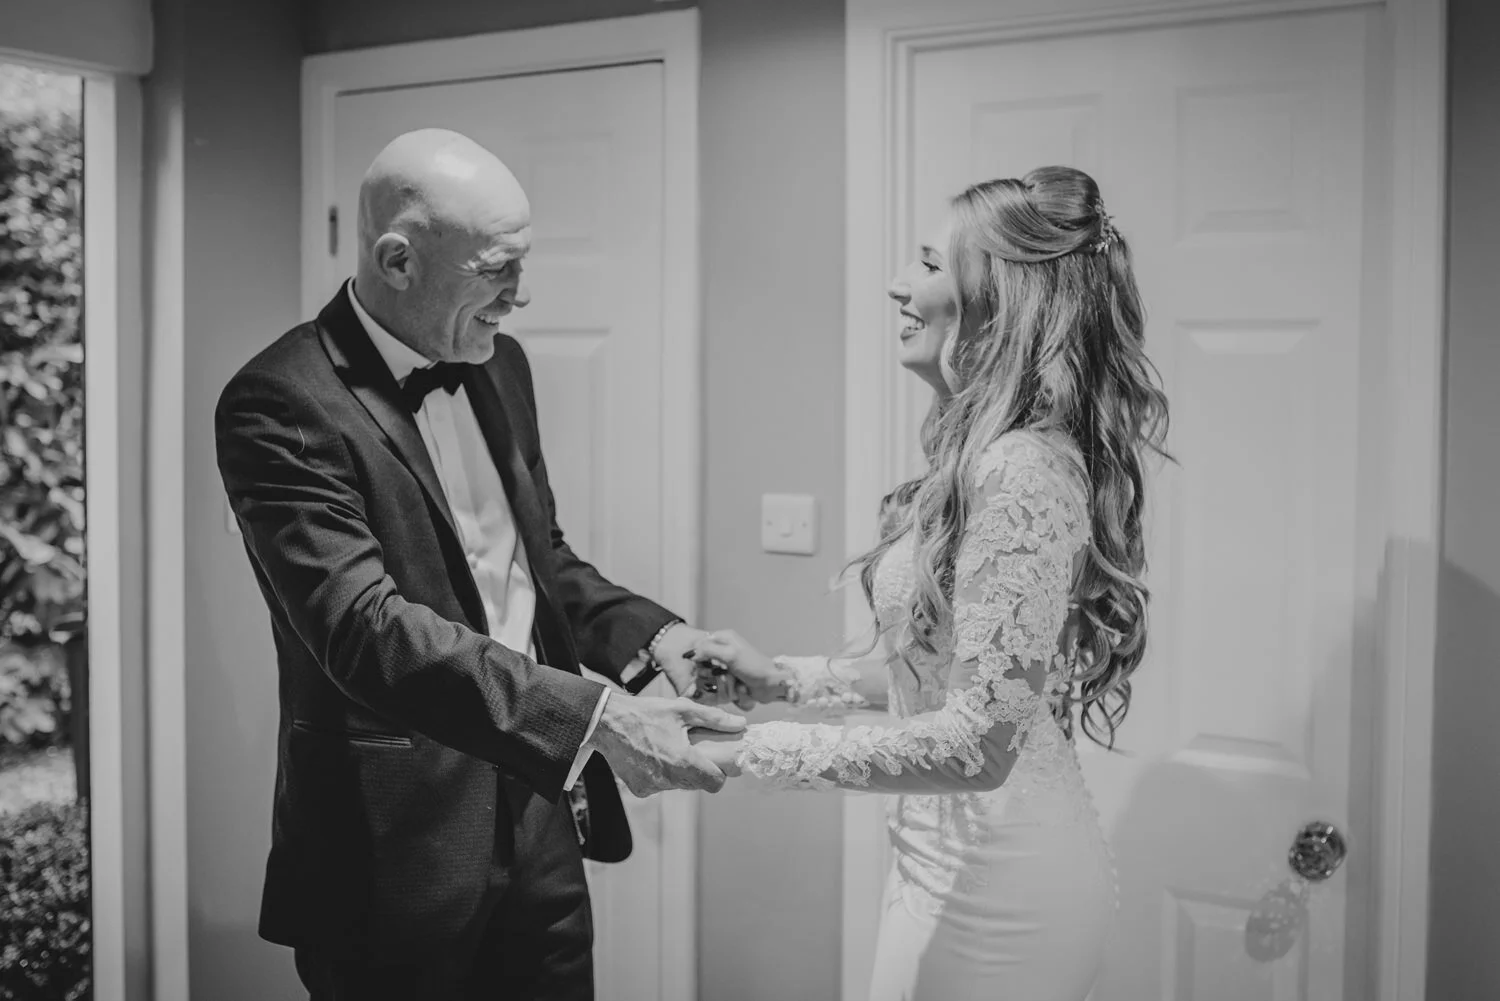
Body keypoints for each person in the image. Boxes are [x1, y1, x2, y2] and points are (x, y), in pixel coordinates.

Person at [214, 128, 744, 1000]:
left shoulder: (500, 365)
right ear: (398, 260)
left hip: (543, 809)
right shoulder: (279, 400)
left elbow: (539, 563)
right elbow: (365, 630)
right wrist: (597, 717)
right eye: (497, 268)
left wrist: (655, 640)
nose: (520, 294)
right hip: (391, 848)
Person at [689, 166, 1171, 1001]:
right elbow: (951, 677)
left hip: (1002, 891)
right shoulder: (981, 454)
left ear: (999, 300)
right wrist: (784, 680)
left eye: (926, 263)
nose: (897, 286)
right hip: (939, 861)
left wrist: (735, 753)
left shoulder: (1020, 468)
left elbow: (976, 743)